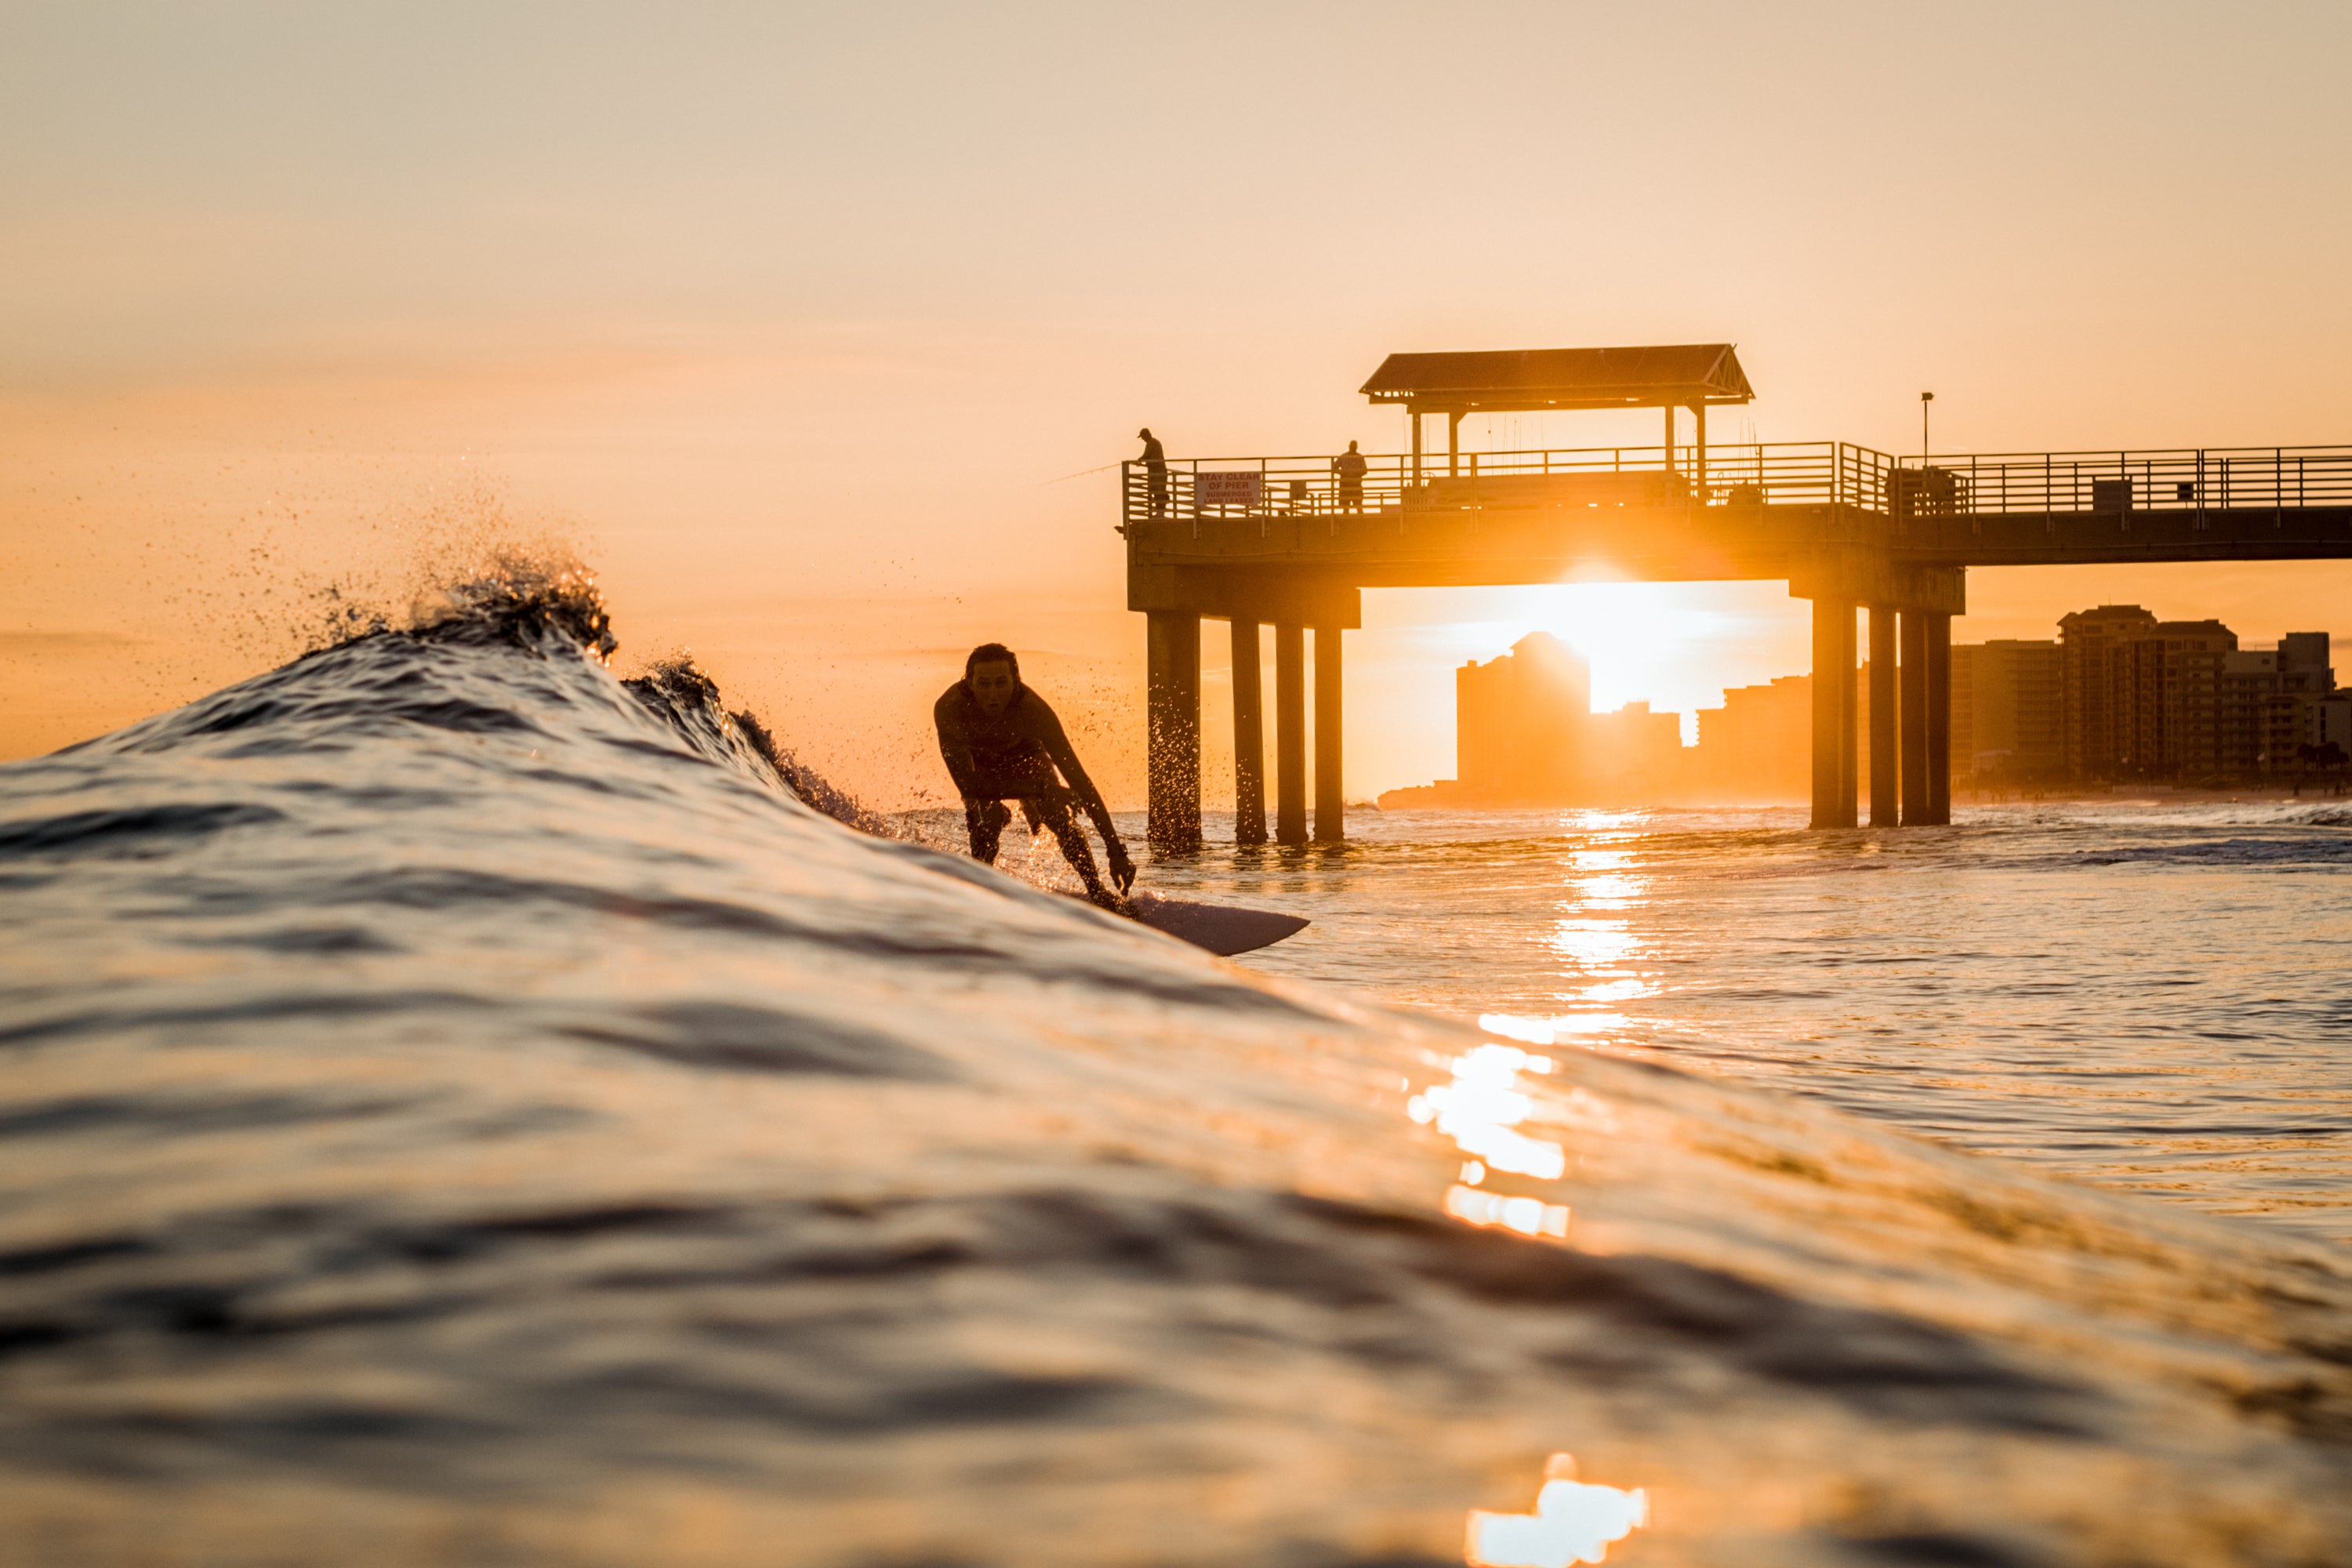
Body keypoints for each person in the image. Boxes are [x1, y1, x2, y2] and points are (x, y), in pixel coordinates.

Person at [935, 642, 1136, 909]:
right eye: (984, 684)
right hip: (979, 765)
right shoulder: (950, 708)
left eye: (1001, 682)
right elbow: (970, 786)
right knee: (986, 821)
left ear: (1015, 680)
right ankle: (980, 896)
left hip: (1025, 755)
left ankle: (1096, 890)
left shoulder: (1033, 711)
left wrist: (1115, 851)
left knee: (1055, 811)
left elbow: (1080, 783)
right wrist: (1039, 789)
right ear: (969, 683)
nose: (993, 694)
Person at [1138, 426, 1167, 518]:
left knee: (1158, 492)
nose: (1142, 439)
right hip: (1160, 471)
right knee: (1160, 492)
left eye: (1142, 437)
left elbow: (1146, 456)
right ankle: (1161, 512)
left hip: (1157, 472)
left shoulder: (1151, 443)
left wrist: (1139, 460)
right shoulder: (1156, 442)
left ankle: (1160, 513)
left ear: (1146, 435)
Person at [1334, 439, 1367, 512]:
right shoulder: (1345, 457)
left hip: (1355, 483)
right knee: (1346, 507)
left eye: (1354, 447)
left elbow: (1365, 470)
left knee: (1358, 506)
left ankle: (1361, 520)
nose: (1353, 448)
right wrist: (1343, 472)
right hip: (1347, 483)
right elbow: (1334, 468)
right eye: (1352, 447)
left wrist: (1356, 473)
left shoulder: (1358, 457)